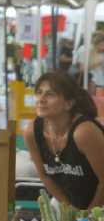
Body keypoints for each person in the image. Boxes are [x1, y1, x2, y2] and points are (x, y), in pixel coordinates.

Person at [24, 72, 104, 210]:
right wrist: (70, 209)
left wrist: (88, 217)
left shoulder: (83, 132)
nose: (41, 99)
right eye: (39, 92)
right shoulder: (31, 132)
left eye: (50, 94)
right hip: (70, 203)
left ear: (69, 104)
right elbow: (45, 176)